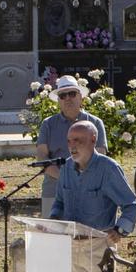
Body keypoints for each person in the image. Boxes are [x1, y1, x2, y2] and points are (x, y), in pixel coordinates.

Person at [47, 119, 136, 272]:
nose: (72, 146)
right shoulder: (67, 169)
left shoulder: (108, 168)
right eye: (69, 141)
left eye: (78, 140)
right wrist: (53, 221)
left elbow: (131, 205)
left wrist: (120, 229)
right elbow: (59, 202)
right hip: (72, 245)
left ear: (93, 139)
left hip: (99, 246)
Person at [37, 76, 107, 211]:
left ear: (81, 97)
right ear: (58, 101)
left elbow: (100, 155)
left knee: (86, 232)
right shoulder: (48, 124)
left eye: (72, 94)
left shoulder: (95, 123)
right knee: (54, 232)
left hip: (89, 190)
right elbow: (42, 158)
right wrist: (66, 178)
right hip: (54, 191)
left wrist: (79, 180)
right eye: (63, 95)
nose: (68, 98)